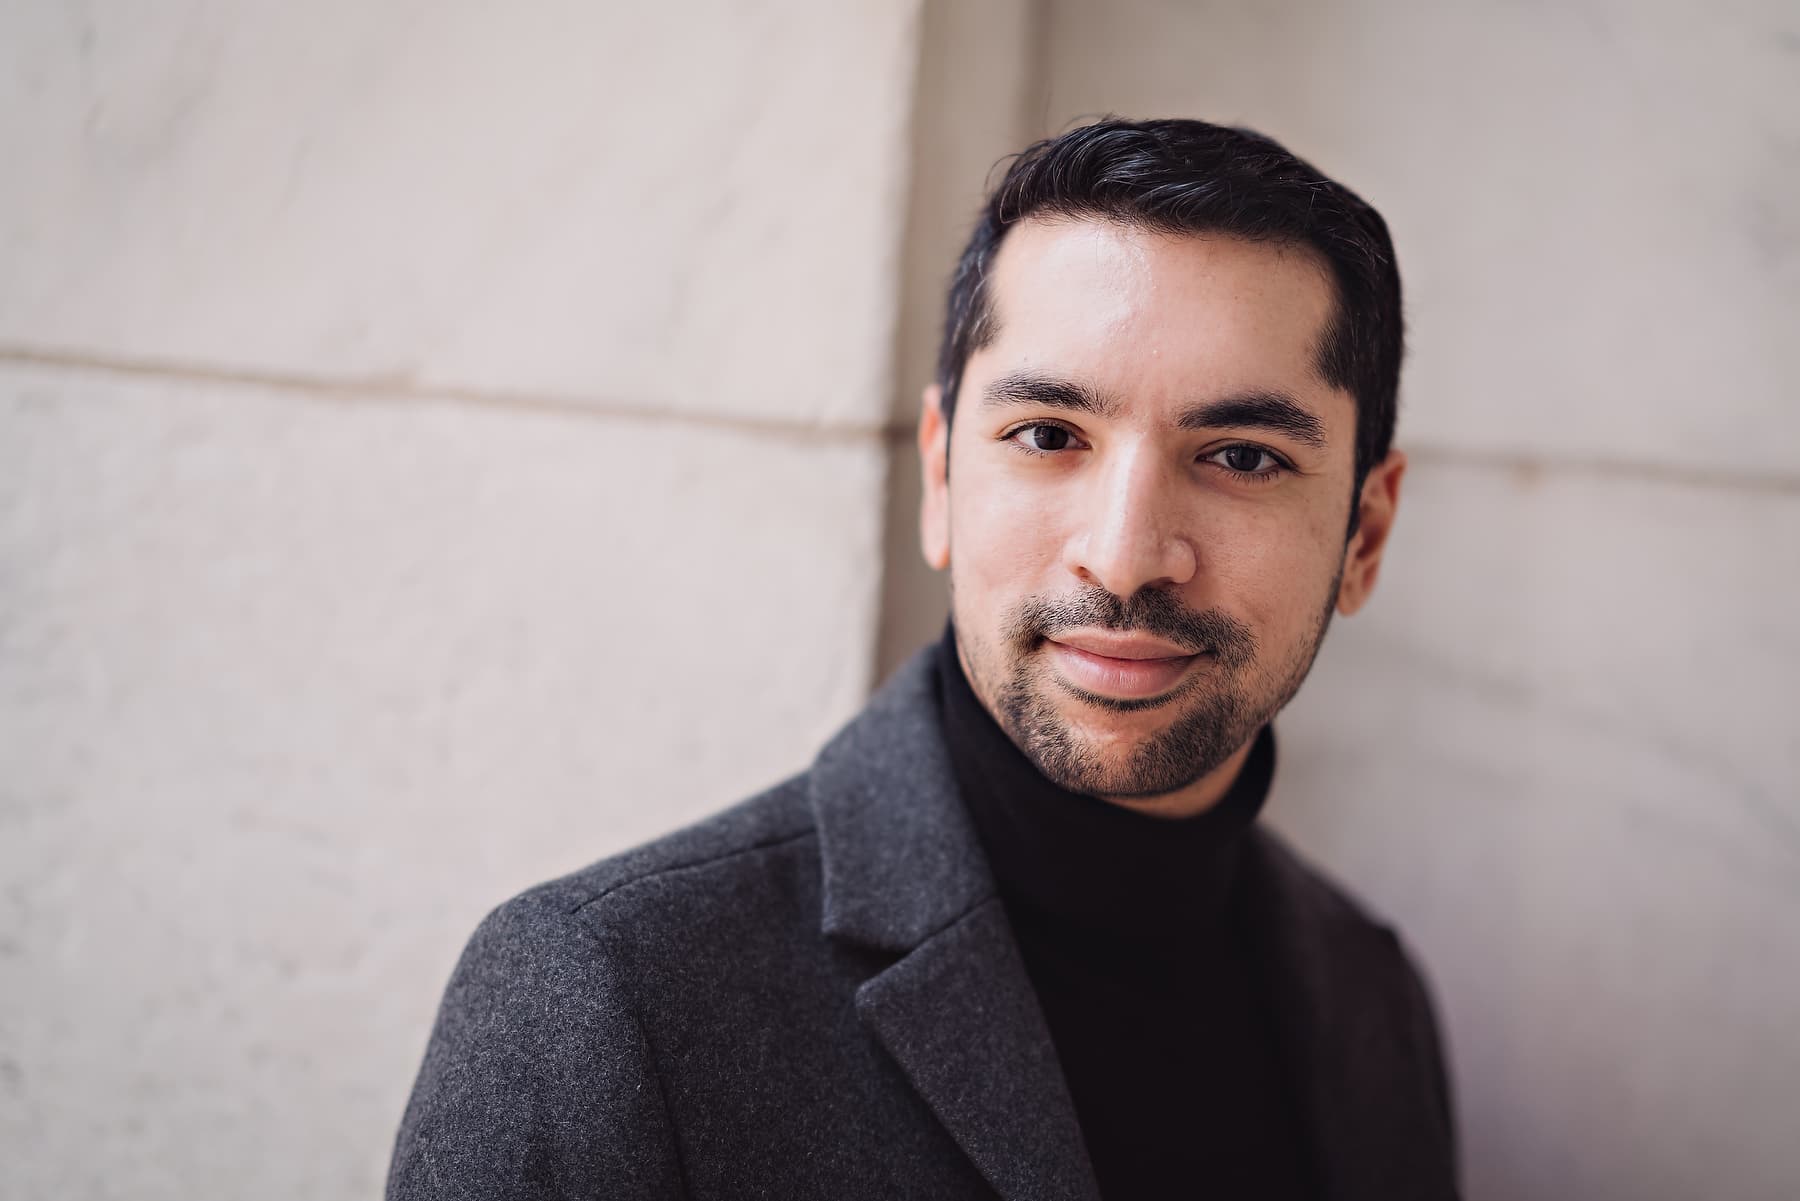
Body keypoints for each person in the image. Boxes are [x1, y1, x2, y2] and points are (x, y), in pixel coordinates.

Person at [388, 117, 1459, 1201]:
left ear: (1363, 537)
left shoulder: (1374, 997)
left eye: (1241, 456)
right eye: (1049, 434)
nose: (1127, 555)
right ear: (941, 477)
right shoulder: (606, 994)